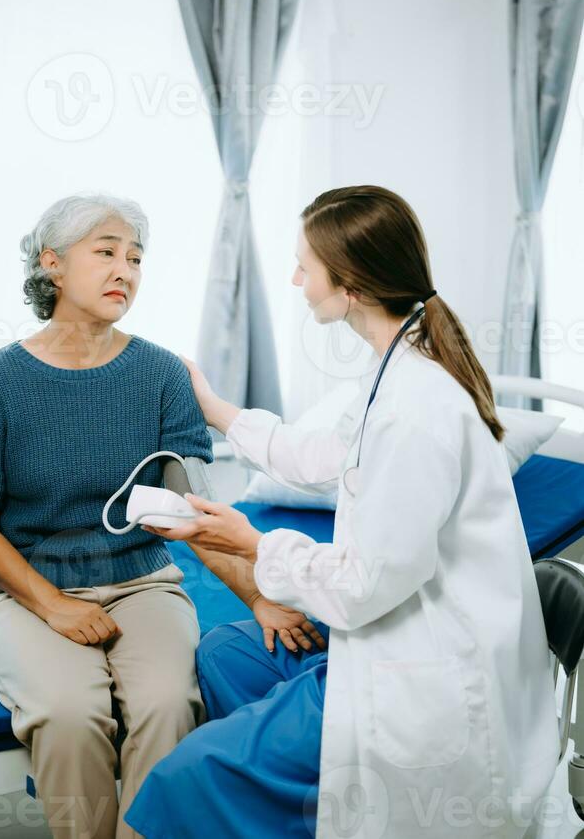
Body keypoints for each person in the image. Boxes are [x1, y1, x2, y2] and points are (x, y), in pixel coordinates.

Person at [125, 185, 561, 839]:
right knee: (225, 653)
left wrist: (251, 543)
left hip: (417, 674)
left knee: (181, 779)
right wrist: (213, 406)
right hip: (388, 628)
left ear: (349, 283)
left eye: (306, 265)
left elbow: (361, 589)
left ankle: (261, 774)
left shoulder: (418, 411)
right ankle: (289, 789)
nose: (297, 279)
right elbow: (324, 455)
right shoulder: (394, 369)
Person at [0, 192, 323, 839]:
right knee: (68, 714)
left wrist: (258, 598)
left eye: (136, 257)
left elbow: (198, 512)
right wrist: (55, 606)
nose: (125, 269)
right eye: (106, 252)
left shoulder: (160, 375)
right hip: (31, 593)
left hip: (142, 582)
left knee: (169, 703)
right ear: (52, 265)